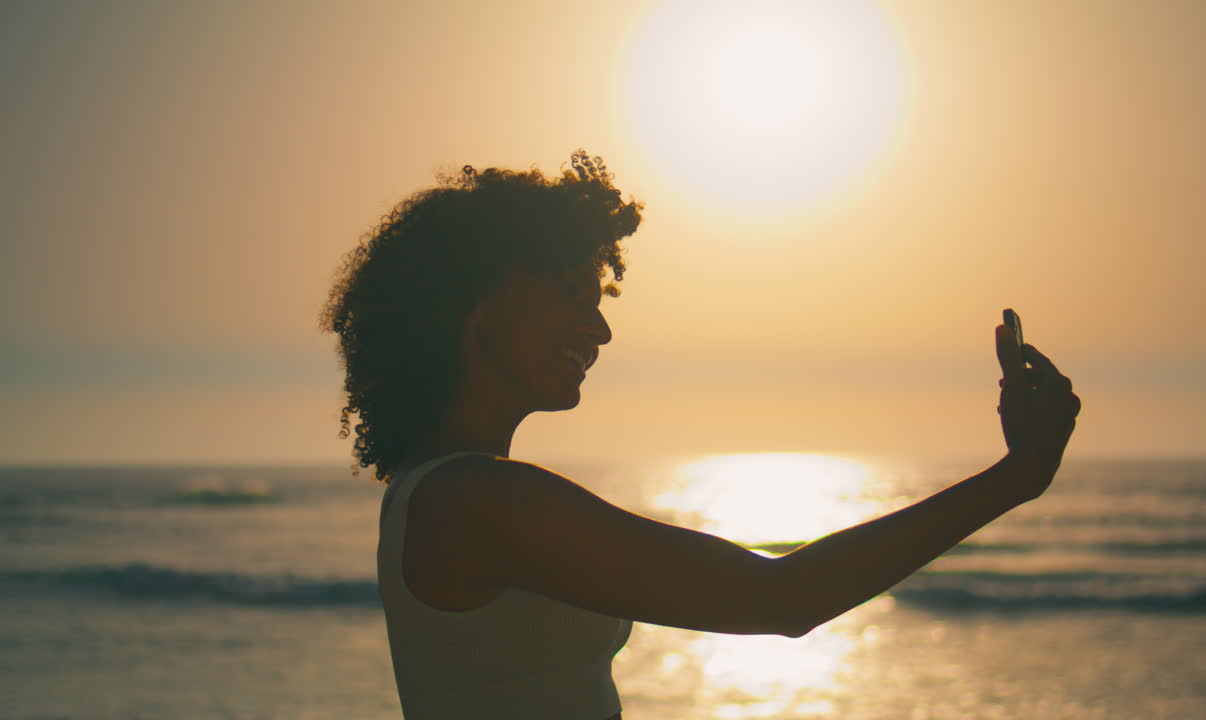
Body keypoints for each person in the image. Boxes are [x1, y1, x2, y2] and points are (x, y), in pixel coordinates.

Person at [318, 149, 1081, 720]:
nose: (601, 326)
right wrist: (1017, 476)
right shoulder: (479, 500)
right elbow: (784, 597)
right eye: (572, 292)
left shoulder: (440, 490)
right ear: (477, 302)